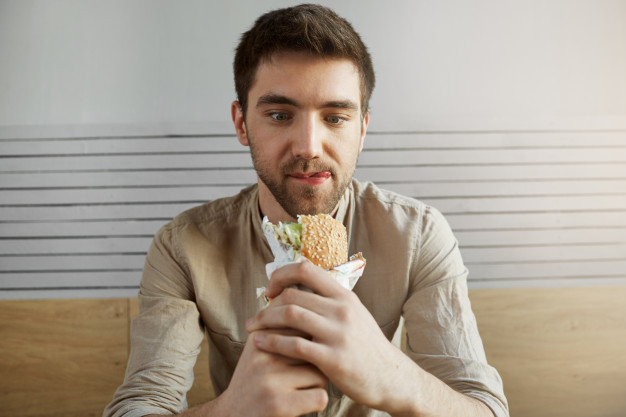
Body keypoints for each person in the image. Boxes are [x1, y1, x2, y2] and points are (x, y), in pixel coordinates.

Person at [104, 4, 508, 417]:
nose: (309, 147)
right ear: (242, 123)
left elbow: (486, 408)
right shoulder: (182, 247)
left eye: (335, 118)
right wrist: (231, 410)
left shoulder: (418, 235)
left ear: (362, 129)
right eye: (280, 115)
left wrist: (395, 376)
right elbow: (137, 407)